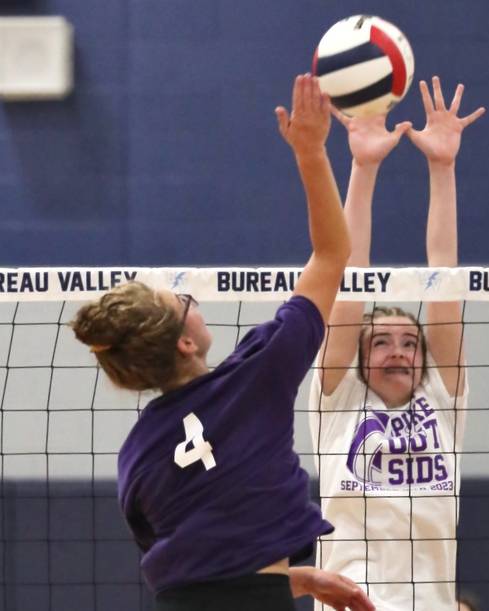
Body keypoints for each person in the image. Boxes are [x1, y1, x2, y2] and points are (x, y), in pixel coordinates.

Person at [71, 74, 374, 611]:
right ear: (186, 344)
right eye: (183, 301)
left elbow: (202, 567)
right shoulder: (260, 374)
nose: (193, 299)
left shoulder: (134, 456)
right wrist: (310, 151)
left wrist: (300, 579)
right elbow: (332, 253)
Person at [308, 76, 484, 610]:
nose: (398, 351)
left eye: (409, 342)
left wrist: (443, 168)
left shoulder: (443, 401)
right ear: (360, 359)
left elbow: (444, 279)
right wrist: (363, 168)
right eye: (380, 342)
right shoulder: (338, 402)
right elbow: (347, 274)